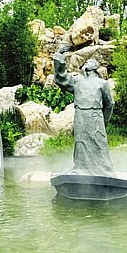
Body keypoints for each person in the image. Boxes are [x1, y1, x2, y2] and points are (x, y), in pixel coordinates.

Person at [53, 42, 115, 176]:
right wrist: (59, 55)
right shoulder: (77, 81)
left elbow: (109, 104)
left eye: (90, 62)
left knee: (99, 142)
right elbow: (61, 77)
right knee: (80, 142)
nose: (86, 63)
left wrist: (103, 121)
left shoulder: (102, 83)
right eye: (85, 62)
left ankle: (105, 171)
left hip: (96, 116)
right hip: (80, 115)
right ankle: (80, 169)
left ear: (95, 67)